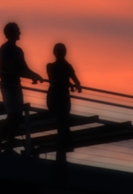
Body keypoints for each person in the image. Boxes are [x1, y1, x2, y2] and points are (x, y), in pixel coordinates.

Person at [0, 22, 43, 153]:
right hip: (8, 85)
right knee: (12, 116)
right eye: (17, 30)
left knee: (17, 117)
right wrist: (30, 75)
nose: (20, 33)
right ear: (11, 33)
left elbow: (24, 67)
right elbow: (11, 68)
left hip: (16, 85)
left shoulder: (19, 51)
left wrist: (35, 75)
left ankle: (8, 147)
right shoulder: (4, 49)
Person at [46, 42, 81, 175]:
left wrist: (76, 85)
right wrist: (71, 84)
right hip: (55, 99)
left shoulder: (68, 66)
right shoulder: (51, 66)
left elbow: (76, 80)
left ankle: (62, 153)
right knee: (63, 121)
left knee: (63, 122)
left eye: (62, 50)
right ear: (55, 52)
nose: (61, 52)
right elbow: (55, 80)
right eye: (59, 50)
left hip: (63, 99)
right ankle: (63, 150)